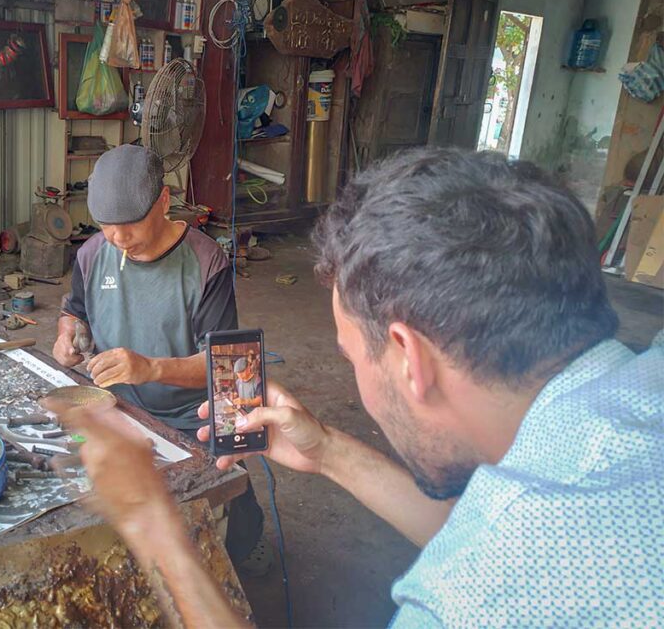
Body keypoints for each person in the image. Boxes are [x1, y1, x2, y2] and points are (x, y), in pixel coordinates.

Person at [46, 148, 664, 626]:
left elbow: (501, 554)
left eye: (348, 355)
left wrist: (155, 529)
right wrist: (328, 451)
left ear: (408, 358)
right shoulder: (642, 384)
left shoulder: (473, 597)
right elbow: (479, 523)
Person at [53, 144, 267, 571]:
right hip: (116, 405)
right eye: (106, 226)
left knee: (221, 502)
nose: (118, 238)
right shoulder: (93, 253)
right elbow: (72, 310)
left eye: (129, 225)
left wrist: (150, 367)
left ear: (164, 201)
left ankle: (243, 537)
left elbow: (231, 371)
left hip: (191, 413)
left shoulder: (206, 262)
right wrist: (67, 336)